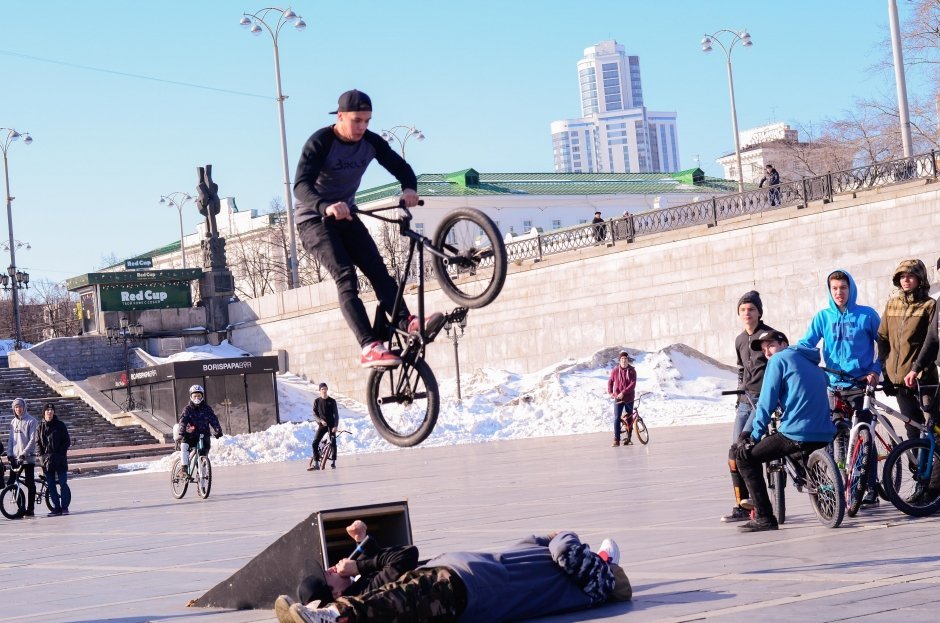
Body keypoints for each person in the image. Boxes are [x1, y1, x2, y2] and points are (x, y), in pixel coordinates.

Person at [293, 89, 443, 369]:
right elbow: (300, 185)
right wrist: (325, 205)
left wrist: (409, 187)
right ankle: (368, 346)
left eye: (367, 121)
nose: (362, 127)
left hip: (346, 217)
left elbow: (400, 166)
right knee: (346, 276)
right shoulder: (320, 142)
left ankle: (405, 322)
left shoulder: (371, 143)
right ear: (340, 117)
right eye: (357, 120)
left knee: (377, 269)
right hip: (314, 221)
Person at [285, 531, 631, 623]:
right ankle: (331, 614)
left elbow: (564, 547)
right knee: (398, 604)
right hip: (470, 581)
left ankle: (334, 615)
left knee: (399, 601)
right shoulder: (567, 571)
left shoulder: (593, 578)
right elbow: (535, 542)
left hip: (474, 586)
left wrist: (566, 534)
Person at [732, 331, 836, 532]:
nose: (767, 352)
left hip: (796, 433)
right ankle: (828, 500)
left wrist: (752, 436)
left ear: (784, 344)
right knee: (801, 454)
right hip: (824, 432)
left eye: (770, 345)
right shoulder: (811, 362)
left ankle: (764, 517)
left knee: (745, 458)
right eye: (763, 349)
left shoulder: (779, 360)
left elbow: (766, 402)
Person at [798, 268, 882, 506]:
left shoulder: (866, 315)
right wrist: (791, 356)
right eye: (834, 288)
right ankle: (841, 484)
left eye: (843, 288)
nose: (839, 293)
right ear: (829, 290)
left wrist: (875, 371)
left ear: (851, 288)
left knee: (864, 436)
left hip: (861, 385)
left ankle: (870, 488)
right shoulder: (823, 317)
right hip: (834, 386)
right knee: (836, 434)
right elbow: (807, 344)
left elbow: (884, 346)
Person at [275, 519, 422, 623]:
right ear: (336, 593)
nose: (332, 568)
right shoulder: (366, 592)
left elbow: (375, 569)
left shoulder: (357, 587)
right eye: (329, 574)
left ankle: (300, 615)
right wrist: (359, 566)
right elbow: (407, 554)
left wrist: (361, 541)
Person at [723, 291, 777, 523]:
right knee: (734, 453)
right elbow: (741, 369)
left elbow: (779, 364)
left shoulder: (768, 336)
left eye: (751, 309)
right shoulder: (739, 340)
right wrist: (739, 397)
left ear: (759, 312)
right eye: (743, 309)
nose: (747, 313)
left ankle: (759, 503)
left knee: (746, 448)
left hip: (764, 400)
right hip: (745, 402)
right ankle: (742, 505)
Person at [878, 259, 937, 441]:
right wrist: (885, 372)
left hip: (923, 380)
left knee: (932, 427)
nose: (905, 280)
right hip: (899, 382)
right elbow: (882, 338)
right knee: (911, 427)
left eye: (910, 276)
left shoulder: (930, 305)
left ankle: (932, 469)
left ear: (920, 278)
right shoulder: (892, 305)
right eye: (902, 276)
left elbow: (932, 341)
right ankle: (916, 468)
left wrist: (916, 370)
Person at [177, 384, 223, 476]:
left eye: (199, 395)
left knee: (203, 457)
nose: (197, 398)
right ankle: (184, 469)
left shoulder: (207, 409)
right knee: (184, 446)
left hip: (204, 435)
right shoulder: (188, 409)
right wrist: (181, 432)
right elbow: (183, 421)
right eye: (195, 396)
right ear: (191, 397)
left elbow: (213, 419)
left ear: (202, 396)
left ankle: (201, 482)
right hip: (190, 435)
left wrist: (218, 430)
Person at [36, 403, 71, 516]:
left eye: (51, 410)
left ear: (54, 412)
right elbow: (38, 444)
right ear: (44, 412)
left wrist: (60, 454)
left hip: (60, 459)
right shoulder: (40, 427)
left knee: (63, 483)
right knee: (51, 485)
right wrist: (41, 458)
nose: (49, 412)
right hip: (47, 462)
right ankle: (56, 507)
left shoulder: (60, 425)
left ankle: (64, 507)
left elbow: (66, 441)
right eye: (47, 410)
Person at [7, 397, 38, 517]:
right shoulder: (13, 422)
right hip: (15, 458)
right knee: (11, 483)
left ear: (24, 407)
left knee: (30, 483)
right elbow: (11, 440)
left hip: (28, 458)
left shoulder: (31, 421)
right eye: (16, 407)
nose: (18, 409)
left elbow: (32, 440)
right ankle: (21, 507)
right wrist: (10, 454)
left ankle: (30, 509)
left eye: (20, 406)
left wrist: (24, 453)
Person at [607, 351, 637, 446]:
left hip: (629, 398)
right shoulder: (615, 371)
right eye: (622, 359)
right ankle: (616, 439)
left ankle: (628, 438)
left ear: (628, 360)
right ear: (619, 361)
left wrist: (623, 393)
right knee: (616, 418)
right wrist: (611, 392)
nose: (624, 361)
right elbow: (610, 382)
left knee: (629, 418)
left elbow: (633, 384)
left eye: (625, 359)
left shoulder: (632, 371)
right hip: (618, 398)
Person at [309, 383, 339, 471]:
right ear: (320, 390)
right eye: (322, 389)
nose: (324, 390)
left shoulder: (332, 401)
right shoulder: (317, 401)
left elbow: (336, 415)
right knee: (315, 443)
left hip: (331, 425)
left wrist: (335, 426)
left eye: (325, 389)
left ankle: (333, 462)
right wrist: (320, 421)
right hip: (322, 425)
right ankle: (317, 463)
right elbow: (315, 414)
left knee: (333, 443)